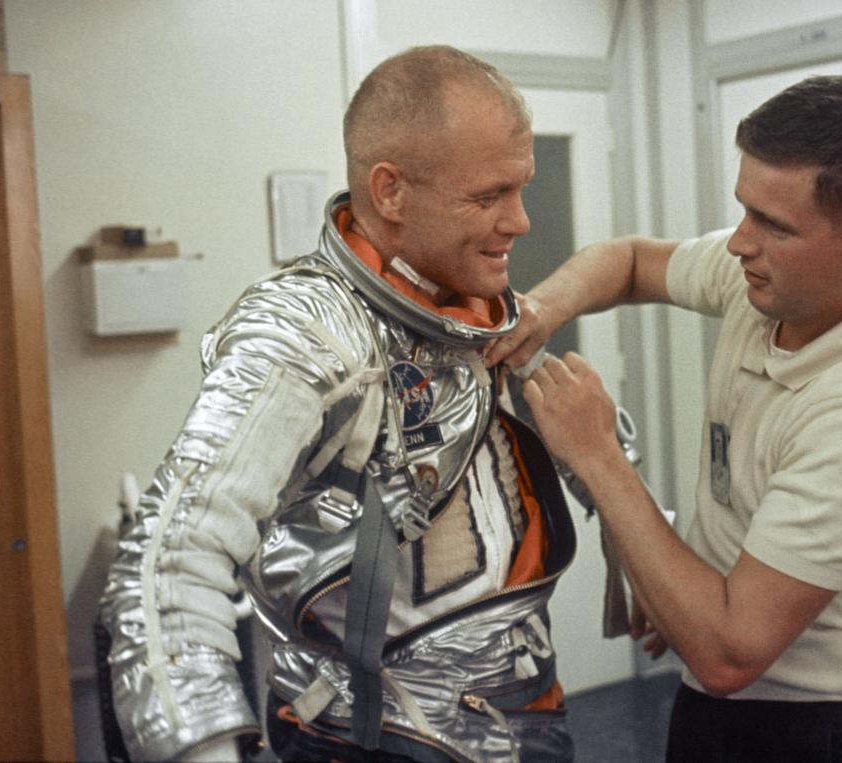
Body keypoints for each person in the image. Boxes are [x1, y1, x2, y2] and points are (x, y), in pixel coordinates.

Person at [100, 45, 581, 763]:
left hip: (524, 711)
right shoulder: (307, 330)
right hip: (373, 737)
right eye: (488, 196)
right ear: (390, 192)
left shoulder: (475, 308)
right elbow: (170, 557)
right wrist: (197, 744)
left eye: (521, 188)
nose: (521, 221)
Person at [487, 75, 842, 762]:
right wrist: (542, 311)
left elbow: (728, 651)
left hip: (812, 734)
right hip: (718, 711)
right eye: (745, 210)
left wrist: (597, 455)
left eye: (773, 224)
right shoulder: (764, 283)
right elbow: (628, 261)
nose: (740, 243)